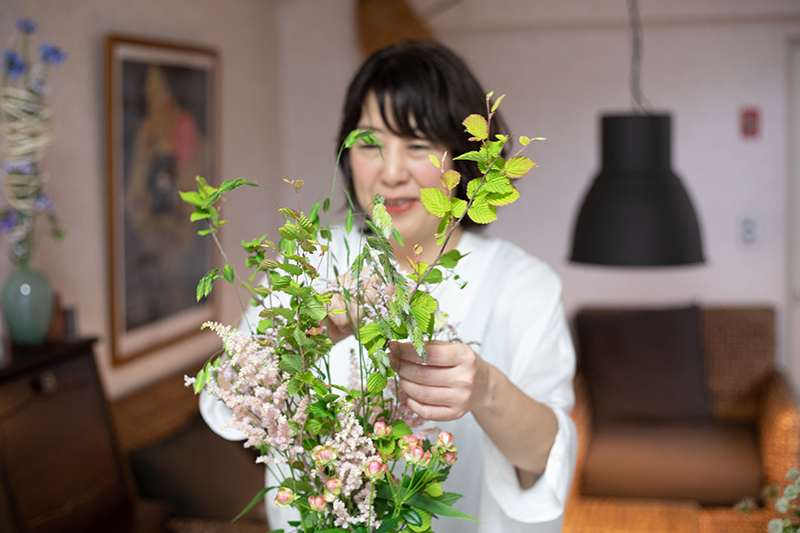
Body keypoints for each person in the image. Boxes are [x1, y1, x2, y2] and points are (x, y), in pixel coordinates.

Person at [200, 40, 577, 533]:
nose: (392, 172)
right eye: (370, 143)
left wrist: (484, 389)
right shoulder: (313, 262)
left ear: (463, 160)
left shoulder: (522, 286)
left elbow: (545, 462)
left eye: (418, 145)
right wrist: (308, 336)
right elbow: (225, 401)